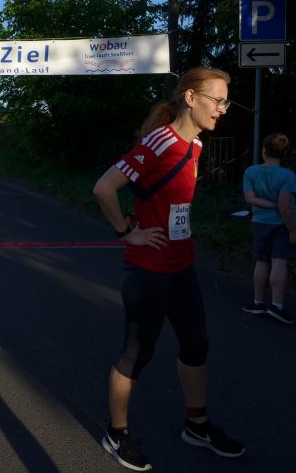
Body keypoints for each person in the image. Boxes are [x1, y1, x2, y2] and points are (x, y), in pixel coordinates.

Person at [93, 67, 245, 471]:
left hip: (181, 266)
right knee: (136, 354)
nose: (223, 109)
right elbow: (104, 187)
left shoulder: (195, 145)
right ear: (191, 98)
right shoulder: (160, 141)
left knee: (196, 345)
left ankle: (197, 425)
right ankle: (116, 433)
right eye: (217, 100)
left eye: (226, 101)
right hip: (149, 268)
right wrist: (128, 232)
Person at [242, 133, 296, 324]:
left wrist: (270, 205)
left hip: (259, 222)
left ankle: (258, 302)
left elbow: (250, 199)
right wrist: (293, 230)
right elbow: (284, 205)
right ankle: (277, 306)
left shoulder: (251, 172)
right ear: (284, 153)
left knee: (261, 262)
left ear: (264, 150)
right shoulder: (288, 176)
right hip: (281, 225)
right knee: (279, 262)